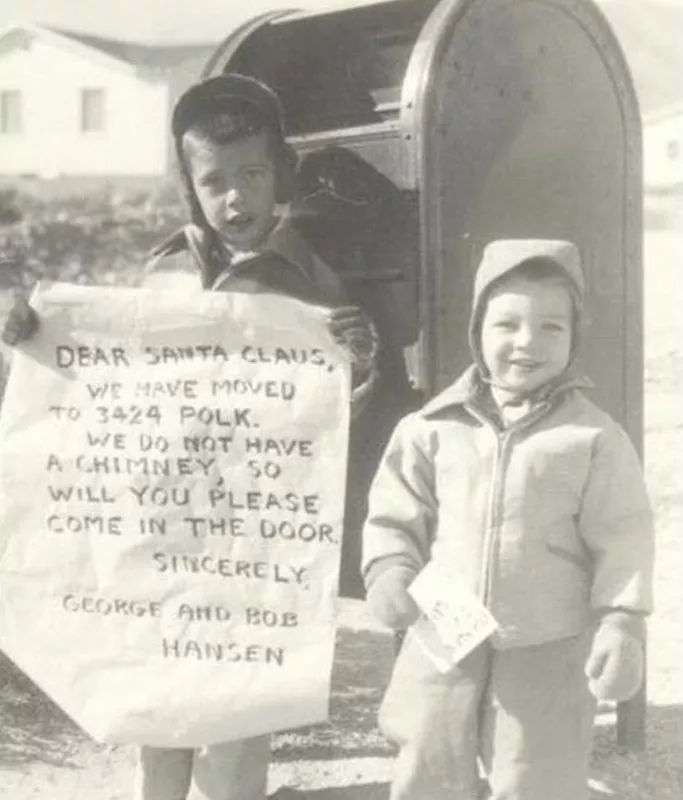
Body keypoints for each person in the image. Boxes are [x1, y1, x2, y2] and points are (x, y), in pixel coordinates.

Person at [2, 73, 378, 800]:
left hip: (252, 540)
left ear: (281, 178)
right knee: (157, 696)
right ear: (190, 189)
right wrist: (35, 339)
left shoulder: (309, 279)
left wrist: (355, 362)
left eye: (252, 175)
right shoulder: (163, 267)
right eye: (214, 181)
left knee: (238, 708)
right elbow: (109, 374)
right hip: (167, 525)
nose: (235, 197)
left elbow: (331, 418)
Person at [361, 239, 655, 800]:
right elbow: (395, 514)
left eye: (551, 327)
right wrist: (390, 571)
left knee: (536, 774)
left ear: (575, 336)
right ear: (477, 331)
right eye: (507, 324)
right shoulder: (429, 429)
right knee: (428, 759)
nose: (527, 342)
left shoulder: (592, 439)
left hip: (548, 637)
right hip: (444, 628)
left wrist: (621, 623)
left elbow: (625, 538)